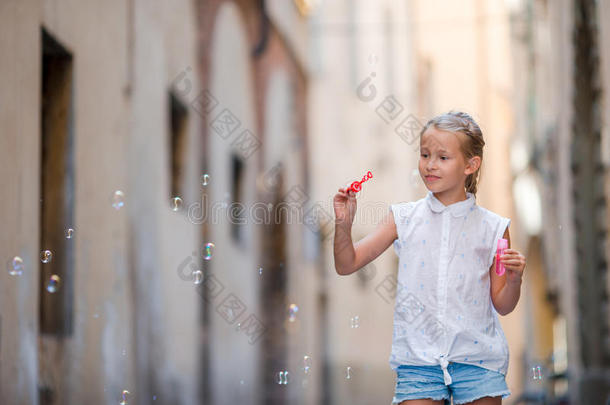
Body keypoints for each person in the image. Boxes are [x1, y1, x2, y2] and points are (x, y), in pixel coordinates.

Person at [333, 111, 527, 405]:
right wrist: (343, 225)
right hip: (418, 362)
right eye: (425, 155)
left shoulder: (495, 229)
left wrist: (514, 280)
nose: (430, 165)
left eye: (443, 157)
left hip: (478, 363)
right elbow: (347, 263)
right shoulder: (403, 218)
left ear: (471, 165)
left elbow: (503, 304)